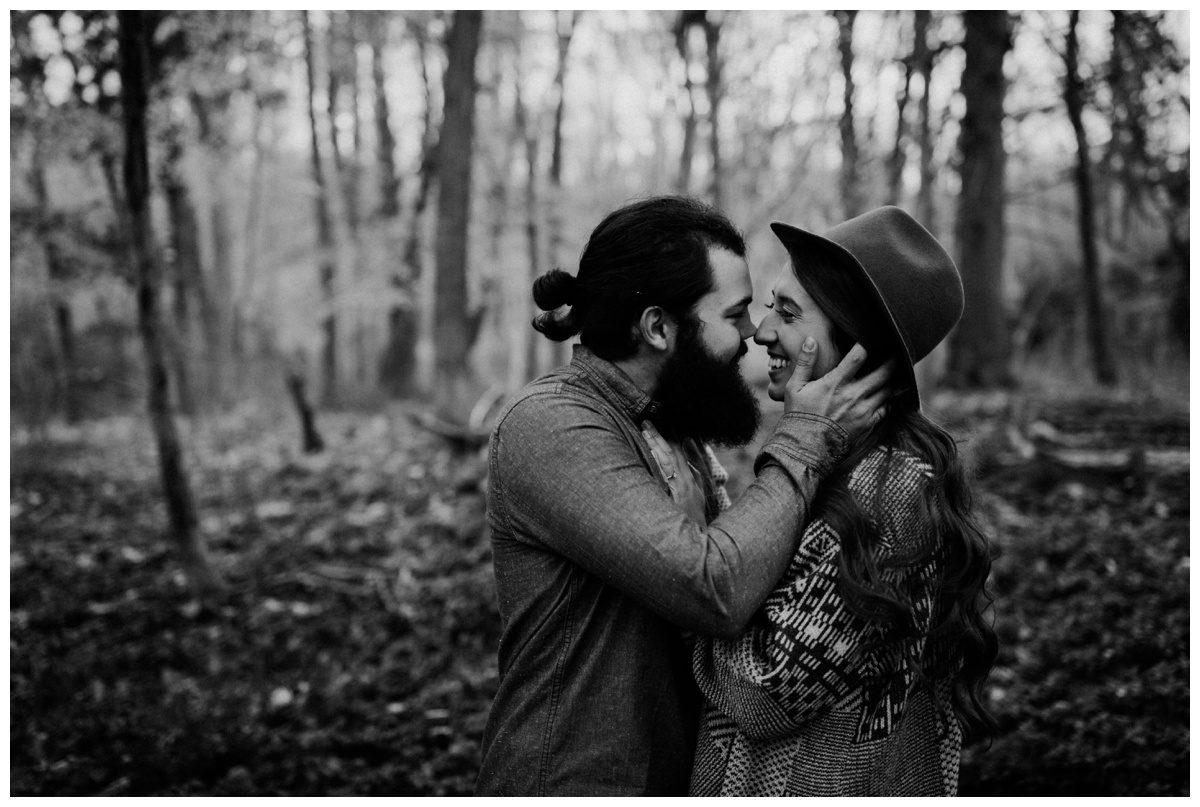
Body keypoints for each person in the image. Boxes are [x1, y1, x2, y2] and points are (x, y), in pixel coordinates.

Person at [475, 196, 893, 796]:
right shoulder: (550, 426)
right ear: (658, 327)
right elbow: (713, 586)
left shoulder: (674, 424)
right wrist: (806, 439)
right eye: (736, 314)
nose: (754, 334)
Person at [689, 206, 998, 797]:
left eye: (788, 312)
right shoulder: (846, 464)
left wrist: (682, 585)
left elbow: (763, 690)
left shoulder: (892, 489)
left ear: (855, 346)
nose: (760, 332)